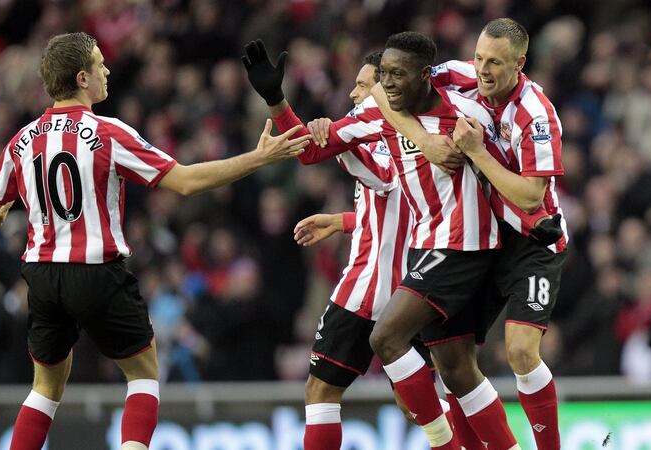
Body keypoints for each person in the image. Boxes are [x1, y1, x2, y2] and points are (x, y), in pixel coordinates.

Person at [0, 32, 309, 450]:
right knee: (143, 373)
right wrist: (260, 157)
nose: (107, 69)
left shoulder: (21, 140)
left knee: (45, 387)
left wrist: (5, 207)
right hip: (96, 270)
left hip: (42, 276)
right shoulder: (107, 132)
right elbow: (185, 182)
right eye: (99, 64)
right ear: (82, 78)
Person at [242, 33, 521, 450]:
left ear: (419, 77)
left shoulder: (450, 113)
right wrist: (277, 101)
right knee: (447, 379)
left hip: (390, 277)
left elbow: (381, 176)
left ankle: (449, 446)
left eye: (370, 82)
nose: (361, 92)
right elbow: (320, 156)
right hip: (421, 262)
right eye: (370, 81)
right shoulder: (373, 119)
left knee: (331, 385)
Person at [370, 18, 568, 450]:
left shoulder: (536, 113)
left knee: (519, 352)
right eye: (479, 57)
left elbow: (531, 196)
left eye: (495, 62)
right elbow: (381, 91)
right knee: (452, 362)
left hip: (534, 240)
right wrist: (421, 140)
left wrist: (477, 151)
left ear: (520, 63)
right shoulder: (457, 75)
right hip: (486, 239)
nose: (483, 69)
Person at [282, 51, 442, 450]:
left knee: (320, 392)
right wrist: (342, 221)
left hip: (368, 291)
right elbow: (397, 205)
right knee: (417, 405)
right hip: (417, 286)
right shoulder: (415, 136)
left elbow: (330, 158)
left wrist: (278, 103)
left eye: (362, 85)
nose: (353, 93)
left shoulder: (387, 143)